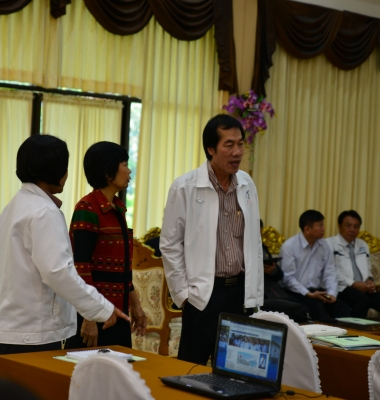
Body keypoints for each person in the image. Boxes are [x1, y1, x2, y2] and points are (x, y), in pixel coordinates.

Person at [0, 135, 129, 378]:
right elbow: (58, 272)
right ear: (53, 169)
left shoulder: (15, 205)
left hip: (10, 330)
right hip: (33, 334)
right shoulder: (43, 211)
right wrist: (101, 308)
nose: (67, 173)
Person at [160, 114, 263, 365]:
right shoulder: (184, 187)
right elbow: (170, 244)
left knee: (236, 368)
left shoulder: (247, 184)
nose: (237, 152)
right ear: (210, 149)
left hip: (239, 293)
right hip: (204, 294)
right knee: (190, 369)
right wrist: (184, 295)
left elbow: (253, 241)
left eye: (240, 144)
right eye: (229, 145)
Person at [65, 142, 146, 349]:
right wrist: (89, 315)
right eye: (124, 164)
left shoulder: (117, 208)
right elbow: (80, 267)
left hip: (118, 311)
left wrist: (135, 304)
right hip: (95, 314)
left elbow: (124, 269)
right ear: (108, 174)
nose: (129, 171)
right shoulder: (87, 208)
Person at [279, 210, 350, 322]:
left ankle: (345, 333)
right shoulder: (289, 246)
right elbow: (288, 279)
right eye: (320, 225)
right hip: (297, 292)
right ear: (307, 229)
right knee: (318, 308)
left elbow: (330, 272)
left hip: (318, 291)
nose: (324, 229)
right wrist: (308, 294)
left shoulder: (324, 245)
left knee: (343, 309)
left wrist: (332, 294)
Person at [327, 210, 380, 318]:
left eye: (356, 226)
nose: (352, 229)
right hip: (341, 288)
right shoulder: (328, 244)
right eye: (348, 225)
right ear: (339, 226)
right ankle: (353, 327)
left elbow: (368, 269)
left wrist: (369, 280)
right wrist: (353, 283)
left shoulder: (362, 244)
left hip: (363, 288)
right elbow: (330, 272)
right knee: (362, 300)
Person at [260, 220, 311, 322]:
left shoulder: (262, 247)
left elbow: (280, 276)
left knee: (302, 307)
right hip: (259, 294)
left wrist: (273, 270)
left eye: (260, 235)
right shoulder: (240, 248)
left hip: (273, 290)